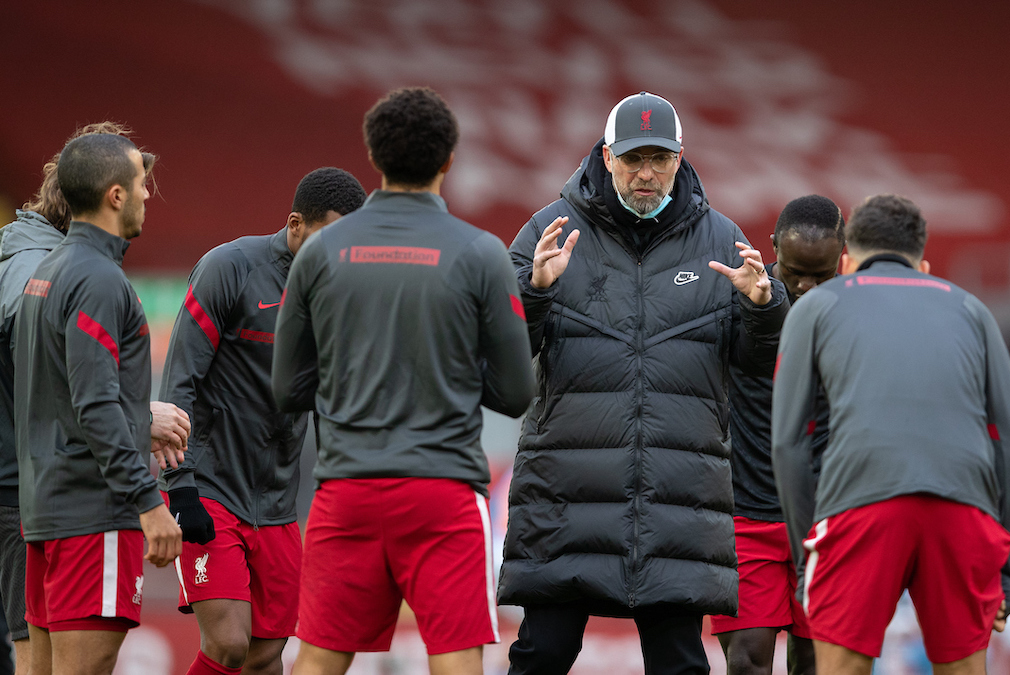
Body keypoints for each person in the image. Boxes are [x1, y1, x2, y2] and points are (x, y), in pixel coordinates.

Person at [498, 91, 789, 675]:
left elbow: (757, 367)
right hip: (568, 497)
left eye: (660, 158)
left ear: (680, 158)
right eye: (634, 159)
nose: (647, 173)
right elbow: (502, 356)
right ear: (607, 157)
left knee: (680, 664)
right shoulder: (547, 232)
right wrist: (532, 294)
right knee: (542, 655)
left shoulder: (722, 240)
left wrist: (763, 307)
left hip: (676, 500)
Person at [272, 87, 534, 675]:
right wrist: (452, 376)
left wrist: (353, 380)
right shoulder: (481, 253)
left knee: (316, 657)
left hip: (347, 489)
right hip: (442, 490)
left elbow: (288, 388)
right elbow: (517, 392)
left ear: (375, 158)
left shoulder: (320, 253)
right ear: (448, 160)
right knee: (456, 656)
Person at [772, 194, 1010, 675]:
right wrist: (1008, 572)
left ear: (846, 262)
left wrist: (806, 555)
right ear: (924, 266)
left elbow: (789, 442)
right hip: (962, 506)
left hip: (861, 504)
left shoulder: (817, 306)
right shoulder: (972, 309)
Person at [0, 122, 192, 675]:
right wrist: (149, 504)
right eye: (140, 182)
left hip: (42, 517)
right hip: (91, 519)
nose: (147, 193)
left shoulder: (46, 274)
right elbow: (95, 405)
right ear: (115, 195)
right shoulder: (99, 281)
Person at [159, 167, 366, 675]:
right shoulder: (229, 269)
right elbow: (177, 382)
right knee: (229, 644)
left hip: (277, 504)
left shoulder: (339, 294)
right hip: (211, 488)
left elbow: (334, 404)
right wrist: (180, 486)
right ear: (295, 224)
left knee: (265, 655)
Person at [711, 195, 845, 675]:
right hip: (747, 515)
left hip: (827, 519)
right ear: (772, 249)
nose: (807, 288)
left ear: (844, 256)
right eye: (794, 273)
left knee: (814, 663)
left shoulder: (857, 316)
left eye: (822, 275)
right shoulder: (740, 298)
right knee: (747, 661)